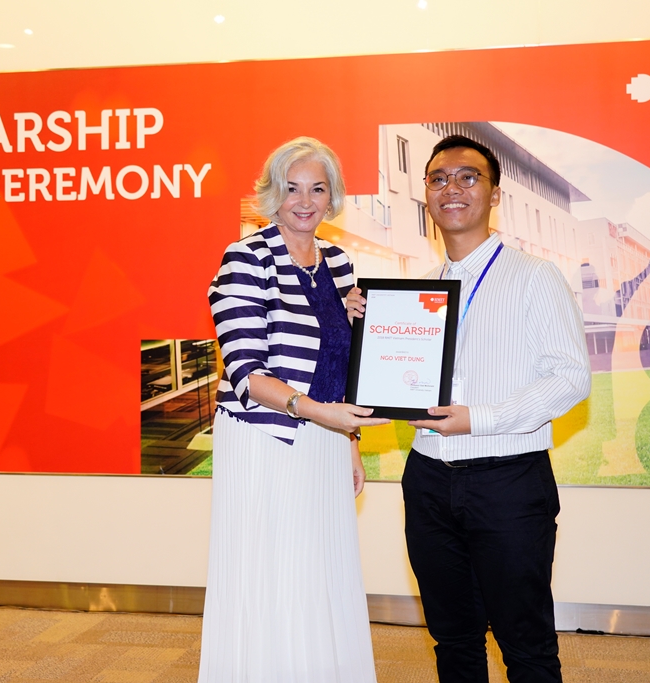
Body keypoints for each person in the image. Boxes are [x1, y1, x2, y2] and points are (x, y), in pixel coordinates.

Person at [347, 135, 591, 682]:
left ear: (495, 193)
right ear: (426, 193)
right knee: (452, 638)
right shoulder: (419, 292)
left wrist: (478, 419)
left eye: (467, 177)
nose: (450, 189)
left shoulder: (534, 276)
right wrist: (361, 323)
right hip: (429, 480)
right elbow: (390, 381)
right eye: (437, 179)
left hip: (507, 482)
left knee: (524, 641)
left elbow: (571, 378)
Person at [198, 137, 389, 682]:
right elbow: (246, 372)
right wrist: (319, 414)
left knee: (321, 567)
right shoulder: (246, 257)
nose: (304, 201)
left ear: (333, 198)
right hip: (267, 440)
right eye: (292, 188)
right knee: (272, 571)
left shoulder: (340, 263)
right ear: (272, 194)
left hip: (325, 442)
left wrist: (348, 442)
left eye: (318, 188)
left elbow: (341, 363)